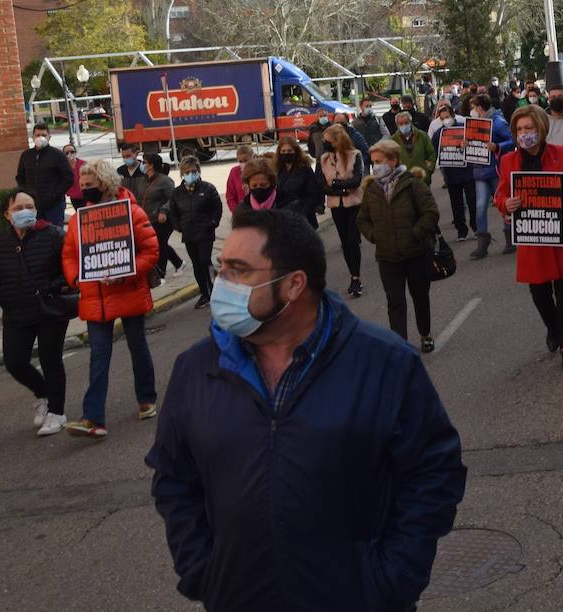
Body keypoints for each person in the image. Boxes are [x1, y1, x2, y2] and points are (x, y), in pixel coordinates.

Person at [145, 207, 466, 610]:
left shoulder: (386, 364)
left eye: (239, 271)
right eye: (221, 269)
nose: (222, 284)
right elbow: (173, 477)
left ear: (294, 284)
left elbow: (433, 475)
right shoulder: (197, 369)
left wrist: (391, 578)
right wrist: (203, 570)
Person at [62, 158, 160, 439]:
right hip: (96, 298)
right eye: (81, 186)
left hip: (127, 291)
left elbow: (151, 252)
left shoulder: (132, 212)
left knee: (137, 347)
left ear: (104, 184)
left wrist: (125, 275)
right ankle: (93, 418)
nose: (83, 191)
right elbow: (69, 255)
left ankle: (146, 398)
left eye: (89, 185)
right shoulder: (79, 220)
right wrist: (78, 279)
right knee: (98, 356)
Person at [495, 105, 563, 371]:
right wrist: (507, 203)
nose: (524, 133)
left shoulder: (561, 155)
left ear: (540, 128)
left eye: (529, 128)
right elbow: (500, 195)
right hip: (532, 238)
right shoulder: (508, 161)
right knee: (539, 292)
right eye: (519, 129)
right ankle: (553, 327)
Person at [0, 189, 71, 436]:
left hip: (49, 309)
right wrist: (0, 296)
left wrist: (52, 287)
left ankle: (57, 412)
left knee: (51, 360)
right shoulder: (0, 242)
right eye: (18, 208)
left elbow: (70, 269)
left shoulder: (54, 234)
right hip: (16, 312)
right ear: (7, 214)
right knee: (14, 361)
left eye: (30, 206)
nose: (25, 212)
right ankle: (43, 394)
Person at [357, 138, 441, 352]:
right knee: (395, 302)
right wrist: (374, 235)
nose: (376, 166)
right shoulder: (372, 190)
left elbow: (430, 212)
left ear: (393, 160)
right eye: (374, 162)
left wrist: (416, 233)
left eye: (380, 161)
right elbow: (362, 219)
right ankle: (400, 344)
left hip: (415, 253)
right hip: (387, 256)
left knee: (420, 296)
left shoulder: (413, 184)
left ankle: (425, 333)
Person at [317, 124, 366, 298]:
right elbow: (322, 185)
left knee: (353, 239)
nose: (325, 143)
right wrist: (342, 189)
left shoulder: (355, 155)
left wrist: (337, 185)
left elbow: (357, 180)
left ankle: (356, 277)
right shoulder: (323, 159)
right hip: (336, 206)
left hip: (354, 204)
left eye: (327, 140)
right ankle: (352, 274)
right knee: (345, 242)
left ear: (336, 140)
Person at [167, 156, 223, 308]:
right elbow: (173, 212)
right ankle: (204, 293)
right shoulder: (177, 193)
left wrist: (213, 223)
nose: (191, 174)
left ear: (198, 171)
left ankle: (214, 288)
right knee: (197, 264)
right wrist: (178, 226)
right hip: (189, 233)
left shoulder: (208, 188)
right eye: (187, 171)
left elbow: (217, 207)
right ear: (182, 174)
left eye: (193, 171)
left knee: (205, 260)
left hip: (205, 231)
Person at [466, 93, 514, 259]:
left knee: (504, 205)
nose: (472, 110)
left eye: (474, 107)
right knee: (480, 207)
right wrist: (465, 144)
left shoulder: (498, 122)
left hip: (495, 171)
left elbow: (512, 140)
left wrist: (497, 146)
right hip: (480, 170)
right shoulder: (474, 124)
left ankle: (510, 237)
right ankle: (482, 243)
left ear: (480, 107)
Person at [428, 101, 478, 243]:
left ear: (453, 116)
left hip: (467, 172)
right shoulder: (438, 134)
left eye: (447, 117)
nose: (445, 120)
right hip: (451, 174)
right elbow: (433, 152)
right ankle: (461, 231)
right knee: (456, 204)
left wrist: (468, 144)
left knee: (472, 201)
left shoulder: (464, 130)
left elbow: (475, 146)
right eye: (442, 118)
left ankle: (476, 227)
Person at [15, 123, 73, 227]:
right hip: (32, 206)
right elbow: (20, 177)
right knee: (34, 235)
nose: (40, 138)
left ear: (49, 137)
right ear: (32, 137)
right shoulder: (26, 156)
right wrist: (26, 193)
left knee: (55, 235)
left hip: (54, 206)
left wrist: (55, 195)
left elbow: (69, 178)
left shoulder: (58, 155)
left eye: (43, 135)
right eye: (37, 135)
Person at [140, 153, 184, 285]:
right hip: (149, 219)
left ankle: (161, 274)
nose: (142, 165)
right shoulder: (144, 180)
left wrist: (163, 210)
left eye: (144, 162)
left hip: (164, 219)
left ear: (151, 165)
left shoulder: (165, 181)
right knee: (161, 244)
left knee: (159, 245)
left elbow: (173, 198)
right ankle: (179, 263)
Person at [273, 135, 321, 228]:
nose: (286, 154)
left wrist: (303, 212)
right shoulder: (276, 169)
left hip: (303, 216)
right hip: (282, 217)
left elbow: (313, 193)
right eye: (283, 151)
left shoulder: (305, 168)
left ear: (295, 151)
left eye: (289, 151)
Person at [392, 110, 436, 185]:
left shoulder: (422, 135)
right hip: (403, 180)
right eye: (401, 124)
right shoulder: (393, 140)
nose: (404, 125)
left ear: (411, 122)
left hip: (422, 178)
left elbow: (431, 153)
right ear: (397, 125)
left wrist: (429, 168)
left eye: (406, 123)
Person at [224, 144, 253, 214]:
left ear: (252, 158)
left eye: (246, 160)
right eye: (240, 161)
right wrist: (236, 212)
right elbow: (230, 196)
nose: (243, 163)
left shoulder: (259, 170)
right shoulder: (234, 172)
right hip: (241, 214)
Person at [61, 144, 85, 212]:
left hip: (86, 195)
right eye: (67, 153)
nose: (70, 154)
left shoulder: (84, 164)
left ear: (75, 152)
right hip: (74, 197)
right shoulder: (63, 167)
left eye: (72, 152)